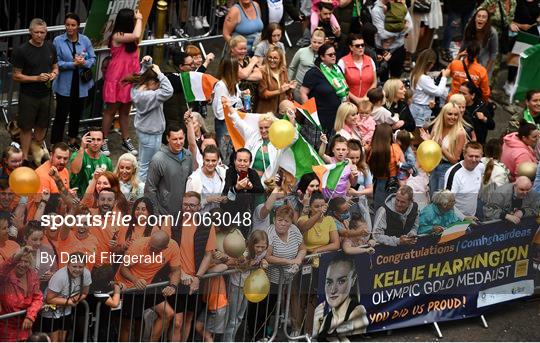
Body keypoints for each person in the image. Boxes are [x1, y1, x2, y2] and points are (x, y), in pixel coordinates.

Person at [168, 192, 218, 341]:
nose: (187, 208)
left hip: (194, 281)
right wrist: (180, 273)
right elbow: (166, 252)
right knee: (177, 322)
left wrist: (197, 278)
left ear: (199, 207)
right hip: (176, 278)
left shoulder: (207, 225)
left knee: (189, 319)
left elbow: (208, 255)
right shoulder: (171, 221)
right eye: (185, 204)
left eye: (192, 205)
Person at [115, 231, 179, 342]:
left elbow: (176, 270)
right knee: (127, 325)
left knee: (168, 313)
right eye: (150, 245)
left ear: (165, 248)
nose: (150, 248)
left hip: (147, 286)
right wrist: (135, 280)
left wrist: (173, 286)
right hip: (128, 286)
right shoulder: (138, 245)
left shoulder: (173, 246)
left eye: (155, 248)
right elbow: (123, 269)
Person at [12, 18, 58, 164]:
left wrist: (53, 74)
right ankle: (24, 158)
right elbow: (16, 75)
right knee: (26, 127)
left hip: (46, 94)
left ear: (46, 32)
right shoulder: (21, 50)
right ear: (30, 32)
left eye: (42, 32)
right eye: (36, 32)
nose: (39, 35)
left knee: (43, 125)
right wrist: (36, 78)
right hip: (28, 96)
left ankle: (37, 151)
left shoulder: (50, 47)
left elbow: (55, 66)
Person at [100, 8, 142, 157]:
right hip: (117, 79)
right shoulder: (118, 35)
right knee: (110, 111)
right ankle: (102, 140)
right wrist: (140, 19)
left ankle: (126, 139)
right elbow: (137, 34)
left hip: (130, 78)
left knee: (125, 111)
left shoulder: (129, 37)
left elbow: (136, 36)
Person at [125, 56, 173, 182]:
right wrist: (160, 74)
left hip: (144, 131)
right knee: (146, 166)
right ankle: (140, 192)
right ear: (152, 83)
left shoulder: (137, 88)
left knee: (143, 162)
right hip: (151, 134)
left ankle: (138, 190)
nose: (159, 86)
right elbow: (168, 90)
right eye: (158, 83)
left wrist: (147, 64)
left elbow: (144, 76)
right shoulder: (151, 96)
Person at [222, 229, 268, 342]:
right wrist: (246, 263)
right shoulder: (243, 252)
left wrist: (263, 261)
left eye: (263, 246)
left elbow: (264, 258)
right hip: (236, 285)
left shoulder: (263, 253)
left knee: (240, 316)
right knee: (232, 318)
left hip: (248, 287)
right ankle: (227, 340)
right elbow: (230, 263)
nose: (260, 249)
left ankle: (231, 338)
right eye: (258, 246)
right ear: (252, 244)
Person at [224, 97, 280, 182]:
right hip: (248, 180)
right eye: (261, 128)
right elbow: (238, 122)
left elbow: (293, 137)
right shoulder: (253, 135)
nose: (263, 131)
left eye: (266, 127)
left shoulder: (279, 143)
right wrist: (230, 107)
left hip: (268, 184)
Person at [312, 257, 369, 339]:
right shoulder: (326, 319)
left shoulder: (358, 312)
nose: (333, 290)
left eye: (341, 281)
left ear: (353, 280)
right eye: (329, 282)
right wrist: (315, 330)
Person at [300, 43, 349, 136]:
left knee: (333, 147)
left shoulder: (337, 69)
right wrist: (310, 113)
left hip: (336, 117)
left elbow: (345, 90)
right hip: (319, 118)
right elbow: (303, 92)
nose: (334, 56)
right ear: (322, 57)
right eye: (330, 55)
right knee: (318, 147)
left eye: (334, 54)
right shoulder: (313, 73)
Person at [420, 103, 468, 194]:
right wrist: (427, 141)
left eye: (456, 114)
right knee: (432, 198)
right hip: (434, 167)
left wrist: (441, 147)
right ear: (443, 114)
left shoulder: (460, 133)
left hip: (447, 169)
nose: (453, 117)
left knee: (440, 200)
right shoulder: (437, 127)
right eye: (450, 114)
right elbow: (431, 150)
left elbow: (455, 160)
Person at [42, 252, 91, 342]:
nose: (77, 270)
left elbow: (84, 293)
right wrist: (69, 302)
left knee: (62, 339)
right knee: (54, 341)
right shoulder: (60, 276)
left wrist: (74, 299)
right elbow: (49, 299)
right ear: (68, 265)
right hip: (50, 310)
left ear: (84, 266)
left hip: (66, 310)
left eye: (80, 267)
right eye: (74, 266)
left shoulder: (86, 274)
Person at [145, 126, 193, 216]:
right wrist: (156, 214)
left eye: (181, 138)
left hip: (184, 212)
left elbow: (191, 182)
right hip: (165, 213)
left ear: (185, 136)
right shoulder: (158, 160)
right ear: (168, 138)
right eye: (175, 139)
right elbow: (149, 189)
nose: (178, 142)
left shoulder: (188, 156)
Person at [0, 246, 43, 342]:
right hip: (6, 329)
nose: (22, 264)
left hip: (25, 327)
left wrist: (30, 316)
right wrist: (16, 256)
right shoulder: (5, 276)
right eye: (19, 261)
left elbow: (38, 298)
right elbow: (3, 269)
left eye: (26, 261)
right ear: (15, 262)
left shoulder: (32, 276)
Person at [221, 148, 265, 236]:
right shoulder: (229, 172)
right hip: (230, 213)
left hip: (248, 213)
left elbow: (260, 190)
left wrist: (250, 187)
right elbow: (225, 194)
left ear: (250, 162)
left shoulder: (252, 173)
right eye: (239, 160)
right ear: (234, 161)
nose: (242, 164)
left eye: (245, 161)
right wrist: (237, 188)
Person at [371, 0, 413, 81]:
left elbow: (410, 26)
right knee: (384, 81)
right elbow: (382, 34)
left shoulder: (400, 5)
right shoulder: (376, 10)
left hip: (398, 48)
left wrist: (392, 37)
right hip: (382, 51)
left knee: (396, 80)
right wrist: (401, 32)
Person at [409, 49, 449, 129]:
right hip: (422, 110)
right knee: (421, 134)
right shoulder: (423, 78)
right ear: (429, 64)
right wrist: (444, 77)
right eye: (432, 64)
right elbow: (439, 92)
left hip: (416, 108)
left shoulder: (414, 74)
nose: (433, 66)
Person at [368, 123, 404, 210]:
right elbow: (403, 165)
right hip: (392, 182)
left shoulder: (371, 149)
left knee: (379, 210)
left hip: (377, 183)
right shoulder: (395, 148)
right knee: (392, 208)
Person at [444, 141, 484, 217]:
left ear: (481, 156)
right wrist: (463, 218)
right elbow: (446, 203)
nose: (474, 160)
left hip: (472, 217)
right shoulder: (454, 173)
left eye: (477, 156)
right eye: (471, 156)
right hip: (454, 219)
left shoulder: (480, 167)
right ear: (464, 154)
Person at [69, 127, 112, 198]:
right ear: (87, 140)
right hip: (78, 198)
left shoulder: (107, 161)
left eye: (98, 140)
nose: (95, 143)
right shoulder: (77, 154)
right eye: (92, 139)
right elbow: (75, 170)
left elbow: (111, 183)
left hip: (98, 199)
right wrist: (82, 147)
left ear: (103, 142)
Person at [162, 48, 193, 142]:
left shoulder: (184, 75)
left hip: (183, 119)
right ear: (181, 66)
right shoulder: (170, 78)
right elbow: (183, 82)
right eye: (190, 64)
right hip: (173, 123)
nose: (193, 66)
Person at [213, 56, 244, 147]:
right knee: (225, 151)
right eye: (238, 67)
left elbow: (234, 96)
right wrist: (233, 107)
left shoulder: (234, 82)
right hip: (224, 125)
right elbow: (219, 112)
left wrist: (242, 94)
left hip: (234, 122)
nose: (240, 69)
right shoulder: (221, 86)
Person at [186, 145, 227, 212]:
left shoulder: (223, 173)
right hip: (200, 219)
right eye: (207, 160)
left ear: (218, 160)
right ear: (203, 159)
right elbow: (188, 206)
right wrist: (207, 200)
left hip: (219, 218)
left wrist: (225, 199)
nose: (210, 164)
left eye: (213, 161)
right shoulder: (193, 179)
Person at [460, 8, 498, 79]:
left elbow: (493, 54)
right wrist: (457, 60)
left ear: (487, 21)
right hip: (468, 62)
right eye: (479, 16)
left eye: (484, 17)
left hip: (483, 65)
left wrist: (485, 72)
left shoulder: (492, 33)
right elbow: (463, 45)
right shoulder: (469, 28)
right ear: (475, 18)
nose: (480, 18)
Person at [337, 34, 377, 102]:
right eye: (357, 46)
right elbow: (341, 86)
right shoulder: (342, 62)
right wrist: (357, 100)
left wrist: (365, 98)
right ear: (351, 47)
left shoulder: (370, 60)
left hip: (367, 101)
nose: (361, 47)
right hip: (349, 103)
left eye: (362, 45)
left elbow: (374, 82)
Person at [288, 29, 325, 102]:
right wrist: (289, 83)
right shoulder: (301, 51)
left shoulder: (326, 56)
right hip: (299, 89)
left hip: (316, 91)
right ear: (311, 40)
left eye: (319, 43)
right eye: (314, 42)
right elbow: (292, 68)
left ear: (324, 42)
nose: (316, 44)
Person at [257, 46, 295, 113]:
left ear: (280, 59)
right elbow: (263, 94)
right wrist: (279, 91)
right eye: (270, 57)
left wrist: (289, 87)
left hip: (280, 110)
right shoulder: (262, 71)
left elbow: (286, 91)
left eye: (275, 58)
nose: (272, 60)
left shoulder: (283, 70)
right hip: (266, 111)